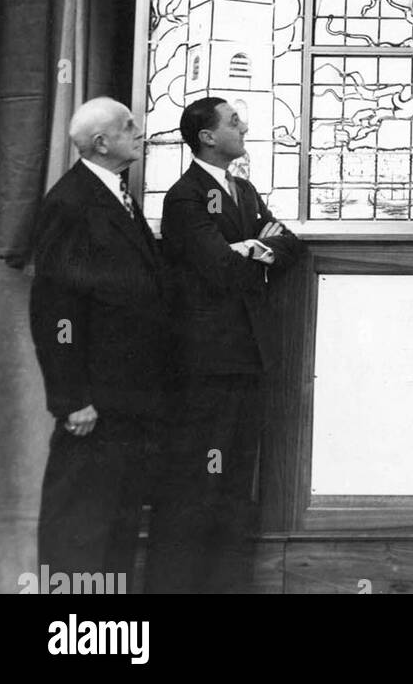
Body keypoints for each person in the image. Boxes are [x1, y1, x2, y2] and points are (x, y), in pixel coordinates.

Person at [145, 97, 302, 594]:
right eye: (234, 121)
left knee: (234, 488)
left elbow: (290, 245)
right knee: (197, 485)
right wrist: (253, 248)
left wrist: (252, 247)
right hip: (205, 366)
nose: (244, 126)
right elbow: (218, 268)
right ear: (208, 137)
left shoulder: (245, 191)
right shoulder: (185, 196)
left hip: (244, 361)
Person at [29, 97, 167, 591]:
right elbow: (56, 310)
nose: (142, 132)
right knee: (80, 526)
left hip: (127, 399)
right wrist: (71, 398)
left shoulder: (115, 196)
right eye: (129, 127)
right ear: (102, 142)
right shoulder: (71, 202)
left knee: (115, 524)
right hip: (95, 404)